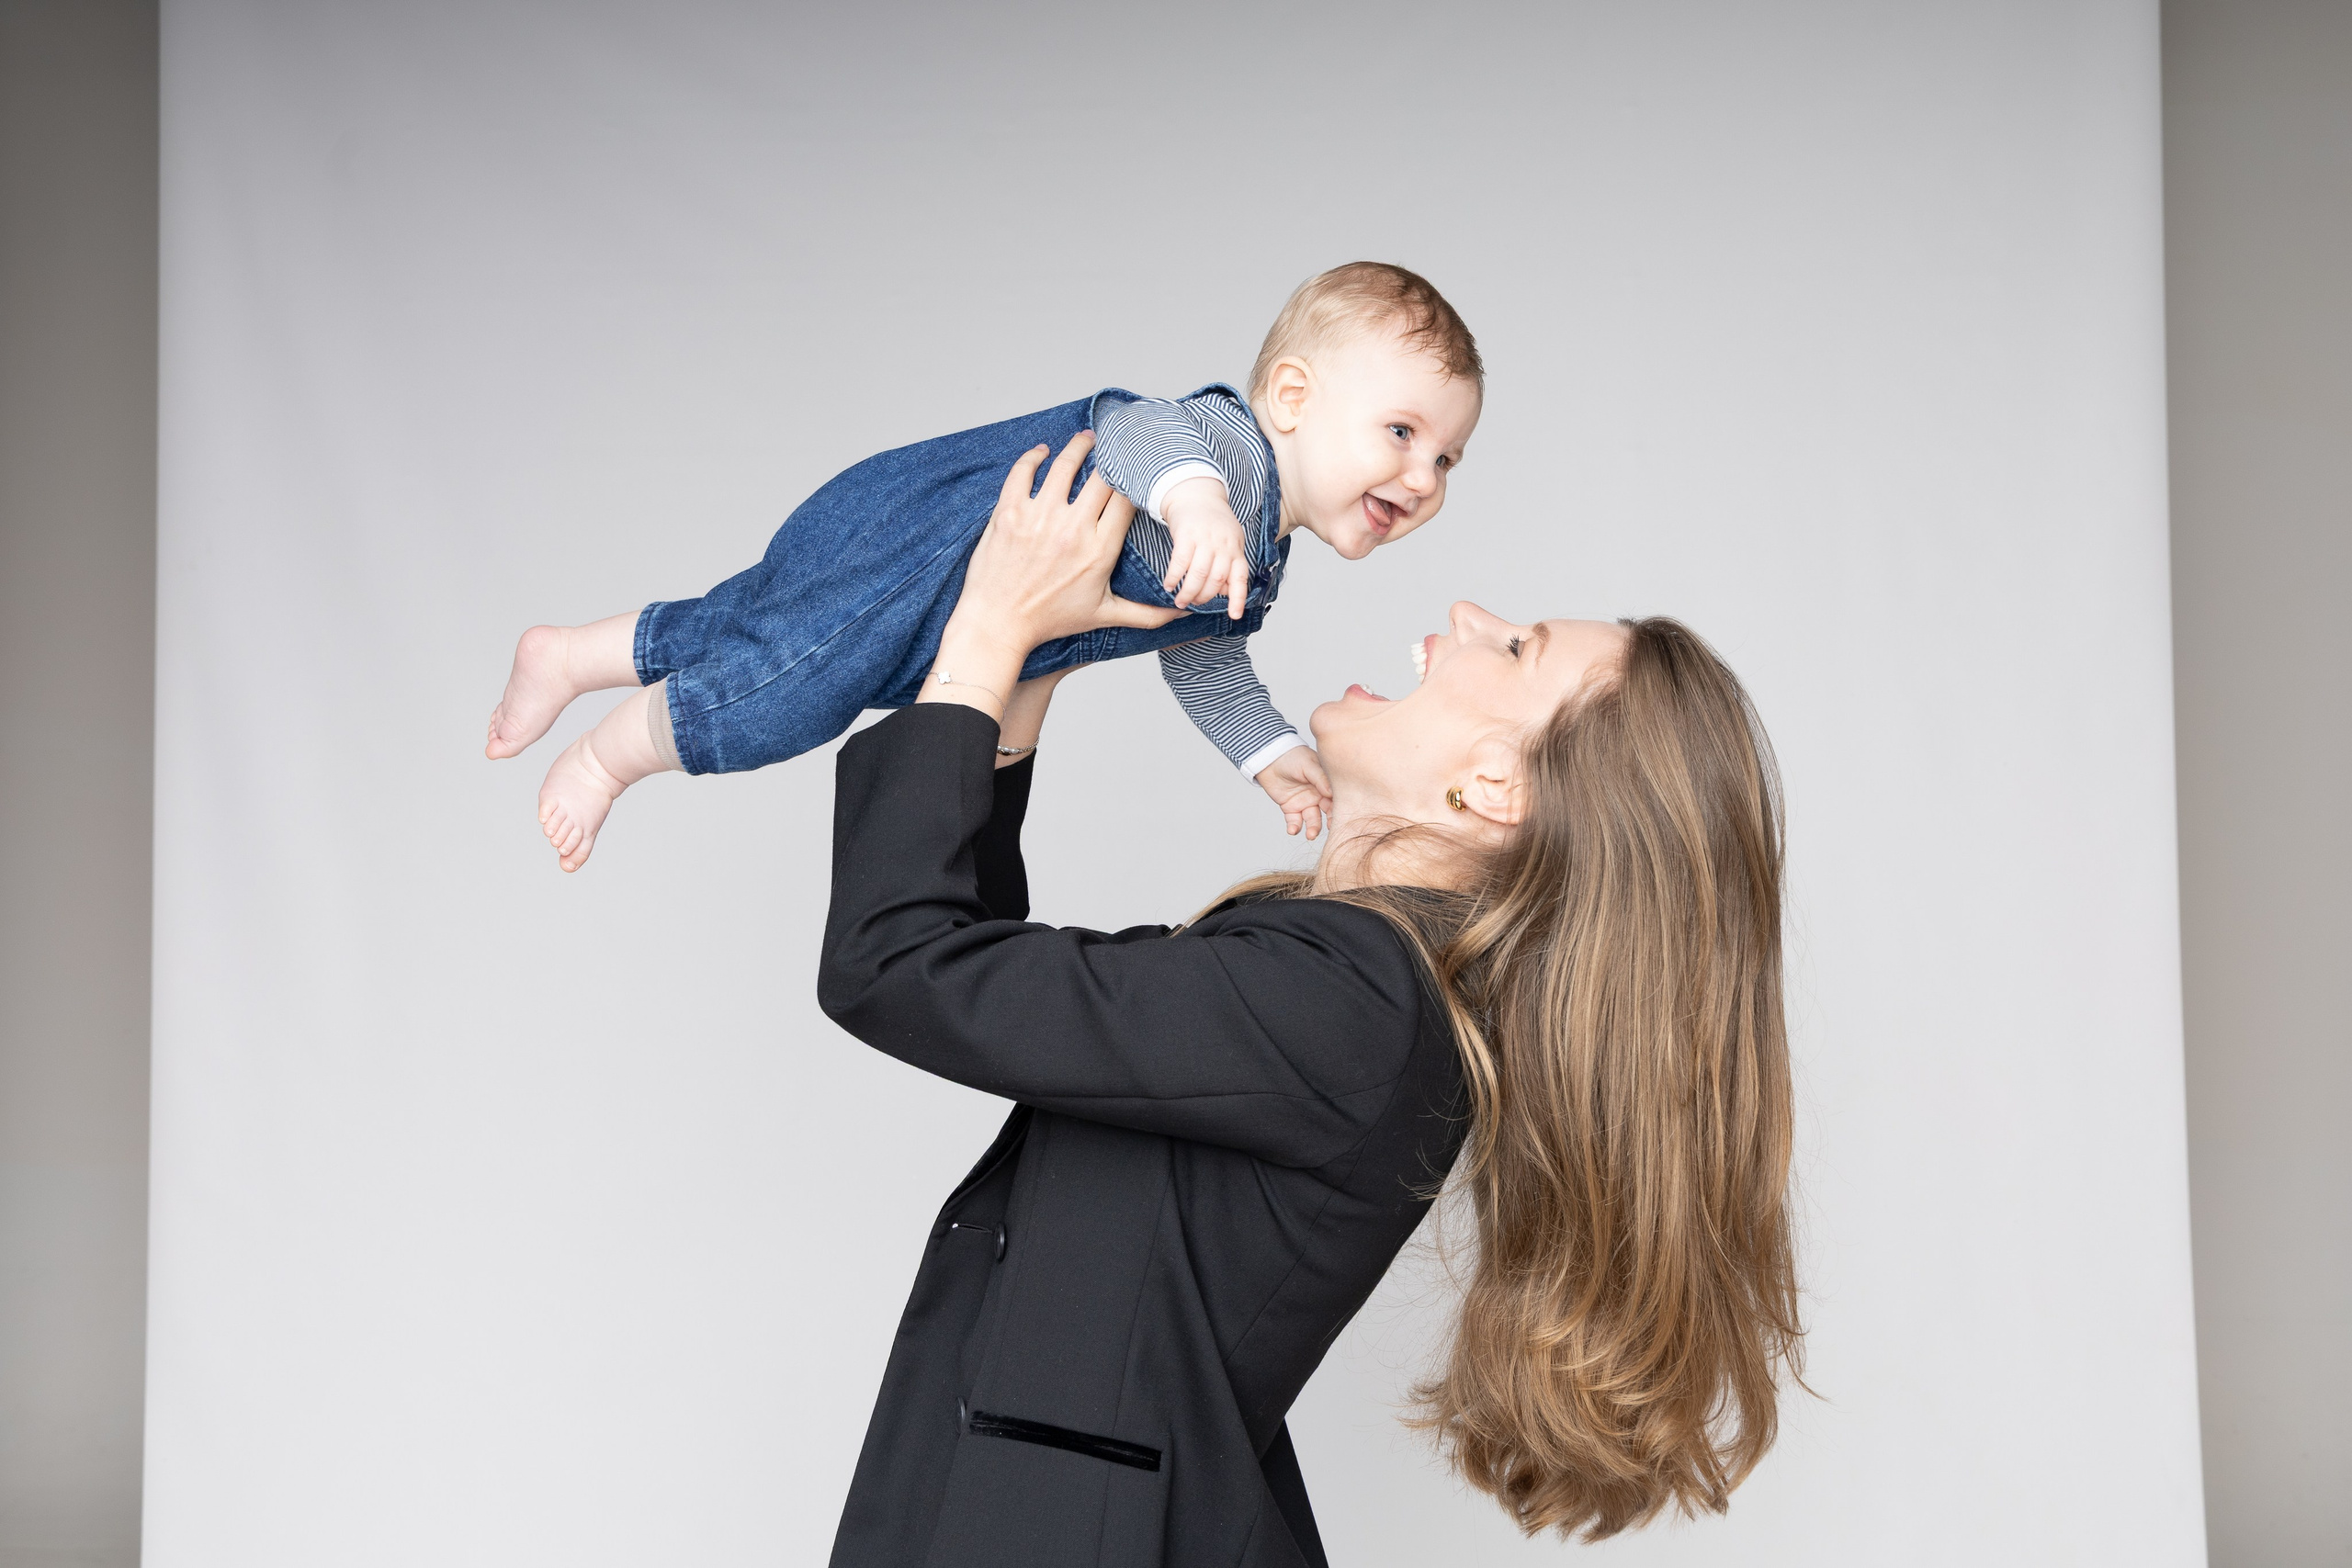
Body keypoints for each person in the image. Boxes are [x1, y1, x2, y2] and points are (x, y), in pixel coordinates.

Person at [813, 436, 1804, 1566]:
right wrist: (1028, 671)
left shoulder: (1349, 1003)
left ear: (1495, 786)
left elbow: (898, 964)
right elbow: (992, 975)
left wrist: (986, 634)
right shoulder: (1347, 979)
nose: (1472, 613)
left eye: (1517, 646)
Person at [481, 262, 1484, 870]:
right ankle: (607, 757)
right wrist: (1195, 503)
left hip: (943, 613)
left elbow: (1205, 663)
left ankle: (569, 652)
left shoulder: (1256, 559)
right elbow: (1133, 427)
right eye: (1400, 431)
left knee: (756, 628)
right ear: (1293, 396)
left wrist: (1268, 755)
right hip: (919, 542)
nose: (1422, 474)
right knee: (785, 691)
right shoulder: (1221, 456)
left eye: (1444, 458)